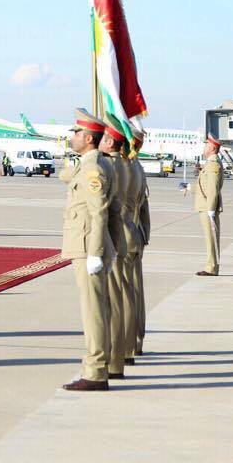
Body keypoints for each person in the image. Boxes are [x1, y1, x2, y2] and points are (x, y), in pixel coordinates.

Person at [60, 108, 114, 392]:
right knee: (96, 308)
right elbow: (64, 176)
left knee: (92, 310)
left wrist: (95, 252)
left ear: (89, 138)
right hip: (85, 244)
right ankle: (100, 366)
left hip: (86, 245)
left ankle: (95, 372)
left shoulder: (93, 168)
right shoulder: (89, 164)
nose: (73, 137)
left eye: (77, 133)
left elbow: (99, 212)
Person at [98, 114, 136, 379]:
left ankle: (114, 359)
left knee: (113, 300)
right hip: (127, 233)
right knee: (124, 296)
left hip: (115, 235)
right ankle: (125, 350)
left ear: (111, 141)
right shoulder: (129, 166)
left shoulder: (112, 167)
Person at [183, 135, 224, 276]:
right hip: (206, 205)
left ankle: (211, 267)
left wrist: (211, 209)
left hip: (208, 207)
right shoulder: (210, 163)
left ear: (212, 148)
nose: (204, 147)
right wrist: (188, 187)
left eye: (206, 145)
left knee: (211, 237)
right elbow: (203, 187)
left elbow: (212, 189)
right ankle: (211, 265)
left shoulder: (213, 164)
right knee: (209, 237)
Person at [126, 126, 151, 357]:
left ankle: (128, 345)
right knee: (135, 293)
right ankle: (135, 341)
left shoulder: (126, 168)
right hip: (136, 235)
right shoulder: (137, 167)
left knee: (124, 295)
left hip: (124, 239)